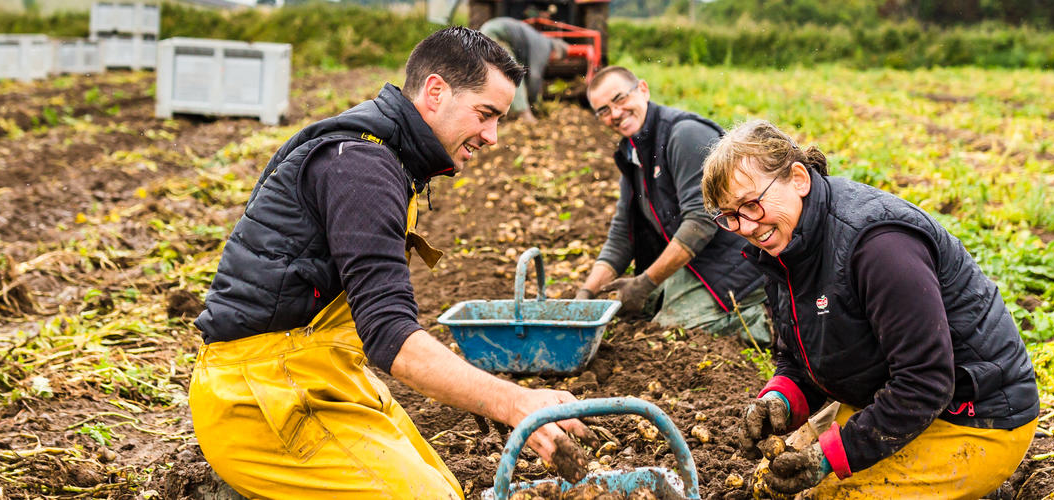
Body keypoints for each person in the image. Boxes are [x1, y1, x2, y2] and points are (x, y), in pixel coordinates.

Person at [188, 27, 590, 499]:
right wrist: (514, 401)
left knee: (446, 490)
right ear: (436, 91)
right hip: (260, 395)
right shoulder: (362, 165)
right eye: (486, 115)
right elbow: (390, 335)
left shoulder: (387, 155)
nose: (493, 136)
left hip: (320, 373)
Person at [699, 120, 1040, 499]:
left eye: (751, 203)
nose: (746, 225)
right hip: (891, 402)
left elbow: (926, 381)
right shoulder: (785, 245)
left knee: (821, 497)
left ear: (798, 178)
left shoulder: (878, 245)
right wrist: (779, 399)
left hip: (974, 417)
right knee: (772, 483)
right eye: (730, 215)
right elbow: (802, 355)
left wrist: (830, 457)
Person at [574, 66, 770, 342]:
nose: (615, 114)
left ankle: (763, 317)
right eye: (603, 111)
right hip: (700, 261)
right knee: (637, 310)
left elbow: (701, 222)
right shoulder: (633, 152)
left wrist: (646, 281)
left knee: (672, 330)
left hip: (743, 261)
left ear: (643, 89)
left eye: (619, 99)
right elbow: (622, 235)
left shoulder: (684, 134)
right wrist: (585, 295)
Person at [477, 17, 567, 123]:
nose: (552, 61)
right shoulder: (544, 47)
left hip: (490, 29)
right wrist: (534, 102)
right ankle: (524, 114)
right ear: (556, 52)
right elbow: (535, 76)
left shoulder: (540, 41)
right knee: (514, 73)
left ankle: (499, 109)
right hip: (495, 33)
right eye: (555, 59)